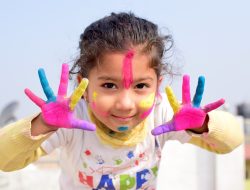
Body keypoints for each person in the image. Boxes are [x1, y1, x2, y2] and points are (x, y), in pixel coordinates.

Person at [0, 12, 243, 190]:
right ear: (83, 85)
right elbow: (5, 159)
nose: (125, 103)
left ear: (158, 85)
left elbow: (231, 142)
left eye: (141, 86)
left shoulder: (163, 115)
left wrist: (201, 125)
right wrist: (43, 124)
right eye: (108, 85)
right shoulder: (71, 121)